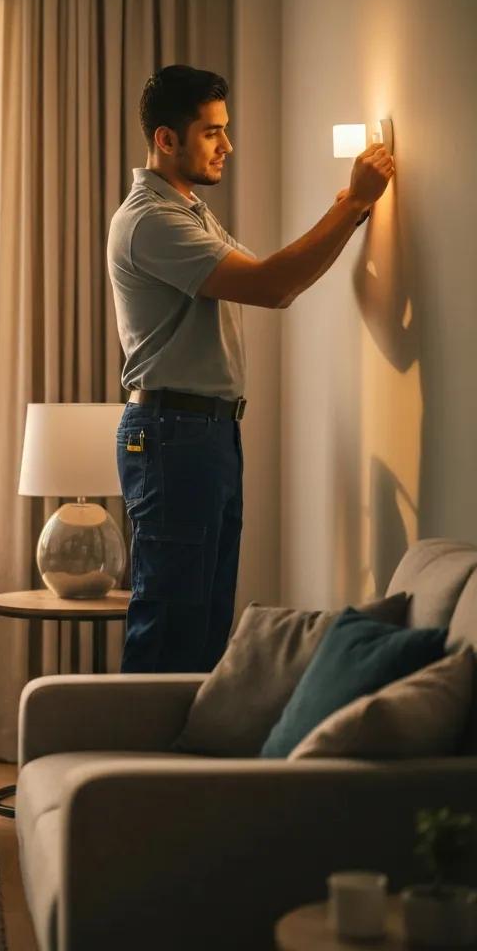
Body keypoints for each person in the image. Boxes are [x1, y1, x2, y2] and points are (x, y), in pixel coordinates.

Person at [108, 64, 393, 674]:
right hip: (173, 434)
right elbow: (273, 286)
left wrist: (348, 208)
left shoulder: (188, 209)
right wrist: (357, 203)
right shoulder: (151, 220)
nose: (227, 146)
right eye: (212, 132)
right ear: (166, 139)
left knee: (206, 623)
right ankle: (131, 767)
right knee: (170, 621)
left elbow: (273, 275)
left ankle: (186, 771)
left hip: (202, 433)